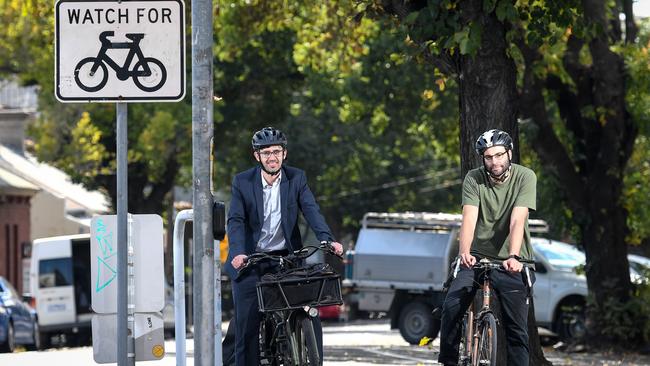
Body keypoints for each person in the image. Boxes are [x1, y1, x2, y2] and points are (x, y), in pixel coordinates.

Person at [224, 126, 343, 366]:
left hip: (287, 260)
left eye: (276, 151)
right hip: (251, 261)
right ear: (257, 156)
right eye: (266, 152)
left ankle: (314, 360)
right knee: (246, 326)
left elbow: (311, 209)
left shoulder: (296, 178)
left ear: (284, 154)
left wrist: (327, 238)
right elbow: (235, 220)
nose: (272, 157)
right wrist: (238, 253)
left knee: (311, 310)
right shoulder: (243, 182)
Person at [438, 129, 537, 366]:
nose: (495, 161)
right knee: (451, 307)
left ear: (509, 153)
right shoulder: (473, 178)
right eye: (489, 157)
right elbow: (469, 218)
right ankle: (448, 361)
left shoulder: (526, 176)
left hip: (513, 261)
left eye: (499, 155)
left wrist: (513, 256)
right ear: (483, 158)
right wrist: (465, 252)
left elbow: (517, 219)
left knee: (517, 329)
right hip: (477, 257)